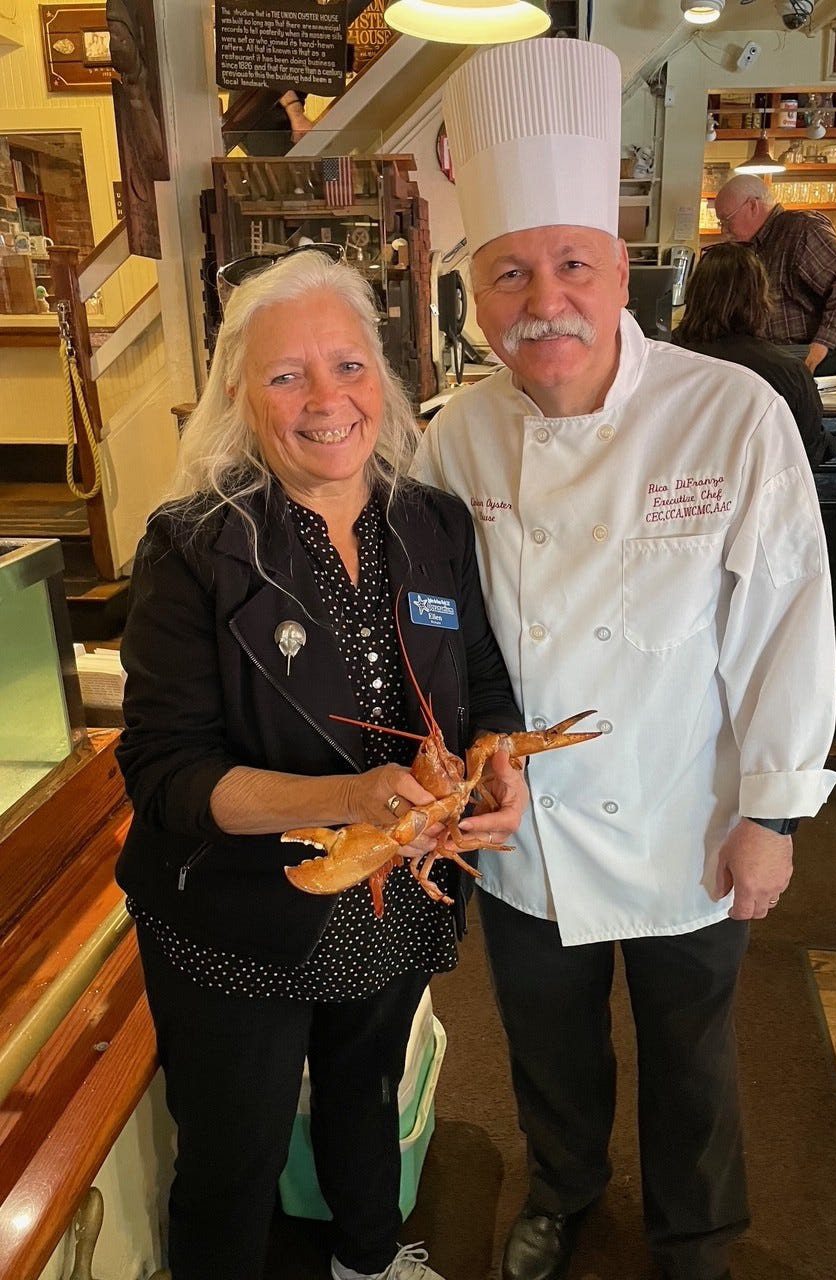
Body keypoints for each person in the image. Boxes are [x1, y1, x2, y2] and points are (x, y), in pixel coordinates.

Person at [411, 38, 836, 1280]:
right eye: (510, 272)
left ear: (619, 271)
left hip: (683, 800)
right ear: (476, 296)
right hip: (524, 817)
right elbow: (433, 632)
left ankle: (696, 1234)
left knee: (693, 1042)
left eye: (572, 265)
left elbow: (787, 625)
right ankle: (563, 1188)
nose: (545, 297)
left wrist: (772, 811)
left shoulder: (729, 411)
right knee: (547, 1039)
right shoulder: (455, 440)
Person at [115, 249, 530, 1280]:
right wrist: (350, 795)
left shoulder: (429, 522)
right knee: (233, 1153)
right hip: (238, 915)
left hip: (391, 899)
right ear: (240, 399)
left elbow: (480, 686)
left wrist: (498, 770)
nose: (324, 401)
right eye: (285, 375)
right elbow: (164, 774)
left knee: (366, 1093)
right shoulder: (192, 545)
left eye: (345, 366)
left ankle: (368, 1257)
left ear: (381, 380)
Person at [674, 243, 836, 465]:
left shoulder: (663, 358)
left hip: (677, 492)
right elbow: (807, 451)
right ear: (760, 298)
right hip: (763, 494)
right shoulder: (787, 371)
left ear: (694, 294)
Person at [713, 172, 836, 376]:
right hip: (781, 360)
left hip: (812, 361)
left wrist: (822, 344)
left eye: (726, 219)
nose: (724, 230)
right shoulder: (756, 246)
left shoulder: (800, 229)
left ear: (752, 206)